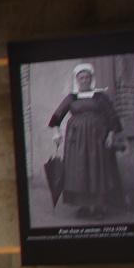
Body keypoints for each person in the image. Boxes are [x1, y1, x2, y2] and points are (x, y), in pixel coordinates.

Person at [48, 63, 124, 220]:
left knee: (97, 169)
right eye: (81, 77)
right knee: (79, 170)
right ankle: (83, 206)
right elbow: (56, 117)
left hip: (98, 139)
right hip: (75, 141)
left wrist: (110, 135)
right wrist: (56, 133)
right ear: (76, 79)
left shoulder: (100, 97)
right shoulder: (71, 97)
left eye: (87, 77)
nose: (84, 80)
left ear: (91, 78)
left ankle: (98, 207)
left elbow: (112, 116)